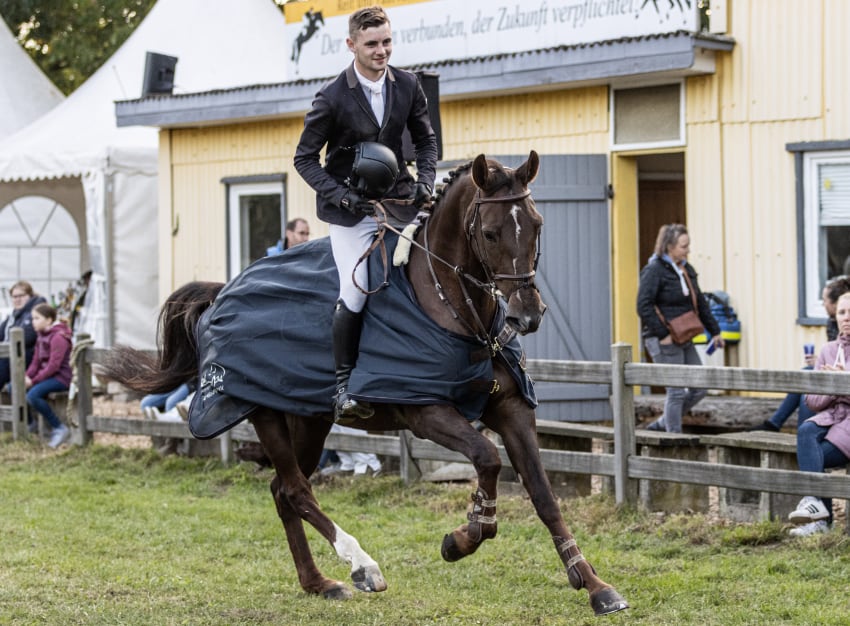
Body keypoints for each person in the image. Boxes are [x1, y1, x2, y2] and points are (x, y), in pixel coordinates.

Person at [294, 5, 438, 423]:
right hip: (350, 210)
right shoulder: (332, 98)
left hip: (401, 198)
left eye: (387, 42)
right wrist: (341, 197)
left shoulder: (408, 84)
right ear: (351, 44)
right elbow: (304, 160)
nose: (382, 51)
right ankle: (343, 388)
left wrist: (426, 180)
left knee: (429, 270)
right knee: (356, 291)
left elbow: (426, 142)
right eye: (372, 44)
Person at [637, 224, 725, 433]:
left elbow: (700, 302)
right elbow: (643, 305)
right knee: (676, 392)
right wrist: (663, 333)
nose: (688, 250)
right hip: (663, 339)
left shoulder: (687, 270)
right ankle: (673, 438)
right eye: (684, 246)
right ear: (669, 246)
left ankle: (662, 423)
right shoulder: (654, 270)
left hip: (684, 336)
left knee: (700, 387)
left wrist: (715, 331)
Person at [786, 290, 850, 537]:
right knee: (805, 430)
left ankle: (821, 520)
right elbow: (812, 401)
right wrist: (832, 387)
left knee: (814, 457)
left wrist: (841, 381)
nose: (846, 318)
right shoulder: (828, 350)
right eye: (842, 312)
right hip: (830, 416)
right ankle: (817, 506)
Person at [753, 275, 850, 431]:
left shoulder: (840, 323)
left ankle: (784, 426)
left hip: (840, 381)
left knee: (808, 378)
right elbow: (833, 352)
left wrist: (820, 363)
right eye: (842, 312)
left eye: (824, 300)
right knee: (807, 378)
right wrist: (819, 361)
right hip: (831, 376)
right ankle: (786, 426)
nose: (823, 304)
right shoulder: (832, 323)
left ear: (834, 303)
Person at [25, 303, 73, 448]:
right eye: (33, 318)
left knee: (33, 395)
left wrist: (33, 381)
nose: (33, 322)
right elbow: (35, 361)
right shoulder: (41, 336)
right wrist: (26, 377)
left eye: (37, 318)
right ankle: (31, 424)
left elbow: (54, 366)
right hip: (47, 376)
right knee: (12, 387)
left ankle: (59, 428)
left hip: (61, 378)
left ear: (49, 320)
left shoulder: (58, 337)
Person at [0, 280, 47, 391]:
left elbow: (27, 337)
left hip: (26, 360)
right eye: (14, 297)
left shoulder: (36, 312)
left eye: (21, 296)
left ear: (30, 296)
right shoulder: (14, 315)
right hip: (11, 358)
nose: (17, 299)